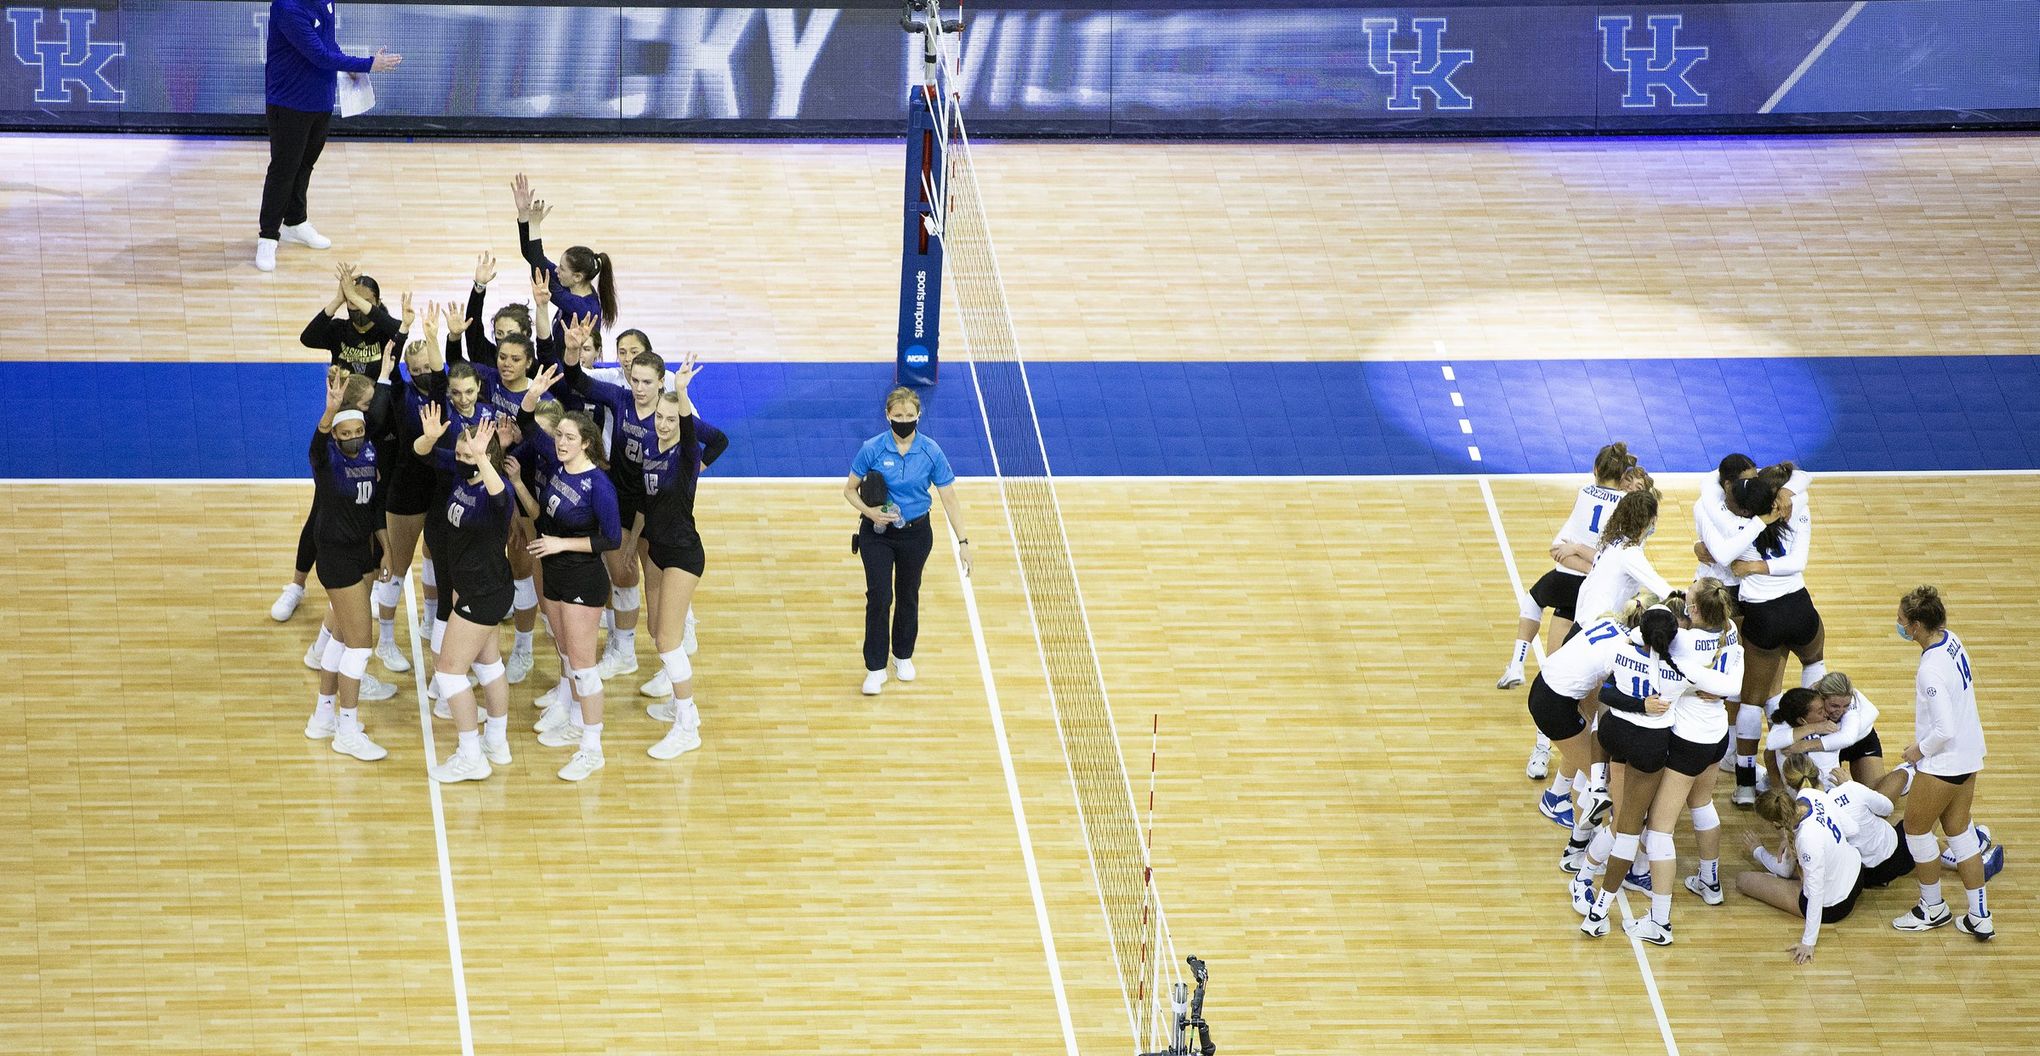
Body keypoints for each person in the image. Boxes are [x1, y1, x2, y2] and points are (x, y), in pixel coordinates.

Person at [1503, 442, 1642, 781]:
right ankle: (1558, 759)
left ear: (1597, 470)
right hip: (1587, 596)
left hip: (1584, 594)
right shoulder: (1630, 509)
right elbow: (1604, 560)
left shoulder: (1587, 493)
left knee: (1563, 680)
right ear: (1626, 477)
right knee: (1567, 683)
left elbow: (1561, 550)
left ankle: (1559, 764)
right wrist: (1594, 566)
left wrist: (1578, 556)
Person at [516, 365, 622, 781]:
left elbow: (610, 538)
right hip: (556, 573)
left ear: (587, 444)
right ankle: (576, 718)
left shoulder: (600, 486)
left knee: (583, 664)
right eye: (558, 436)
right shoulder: (559, 465)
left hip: (582, 577)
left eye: (569, 438)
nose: (560, 443)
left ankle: (592, 748)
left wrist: (561, 543)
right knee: (564, 651)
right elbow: (527, 424)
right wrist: (533, 393)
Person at [842, 387, 971, 695]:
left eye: (909, 416)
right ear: (888, 415)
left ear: (918, 416)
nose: (903, 420)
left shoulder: (930, 451)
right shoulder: (872, 449)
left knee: (908, 594)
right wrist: (870, 512)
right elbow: (849, 490)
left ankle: (902, 656)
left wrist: (963, 541)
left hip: (916, 533)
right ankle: (875, 668)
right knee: (880, 596)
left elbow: (949, 498)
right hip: (877, 535)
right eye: (897, 416)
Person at [257, 0, 400, 272]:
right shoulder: (288, 8)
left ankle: (295, 222)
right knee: (284, 170)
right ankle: (267, 236)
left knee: (305, 164)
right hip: (288, 102)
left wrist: (351, 66)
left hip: (321, 100)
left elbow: (328, 42)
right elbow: (319, 55)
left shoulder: (326, 1)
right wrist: (369, 63)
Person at [1890, 586, 1996, 939]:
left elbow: (1944, 728)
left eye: (1903, 621)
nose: (1900, 625)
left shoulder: (1930, 671)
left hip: (1945, 762)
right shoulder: (1950, 638)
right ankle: (1979, 915)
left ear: (1918, 625)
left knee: (1916, 831)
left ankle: (1932, 907)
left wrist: (1920, 749)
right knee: (1960, 832)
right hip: (1969, 755)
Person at [303, 370, 389, 762]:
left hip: (361, 552)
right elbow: (318, 443)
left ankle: (322, 718)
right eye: (345, 433)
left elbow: (373, 509)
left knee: (339, 640)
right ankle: (348, 729)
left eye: (358, 431)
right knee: (359, 646)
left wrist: (385, 549)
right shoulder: (327, 460)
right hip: (336, 557)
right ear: (336, 437)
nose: (353, 437)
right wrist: (330, 411)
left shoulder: (370, 453)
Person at [427, 425, 518, 783]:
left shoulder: (497, 492)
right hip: (475, 587)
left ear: (488, 457)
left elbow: (500, 499)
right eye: (462, 455)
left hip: (484, 591)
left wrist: (482, 457)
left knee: (449, 672)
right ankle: (496, 741)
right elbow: (426, 456)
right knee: (489, 665)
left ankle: (471, 757)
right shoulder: (462, 483)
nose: (464, 461)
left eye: (472, 456)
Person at [1735, 787, 1862, 964]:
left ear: (1775, 823)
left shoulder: (1807, 842)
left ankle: (1770, 873)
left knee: (1743, 881)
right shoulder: (1810, 794)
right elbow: (1852, 829)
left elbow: (1815, 893)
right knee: (1789, 871)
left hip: (1836, 904)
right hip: (1856, 872)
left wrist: (1808, 943)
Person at [510, 174, 618, 335]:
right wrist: (524, 215)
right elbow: (532, 257)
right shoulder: (572, 286)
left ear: (577, 277)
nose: (556, 271)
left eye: (562, 268)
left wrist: (535, 226)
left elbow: (539, 274)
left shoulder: (582, 307)